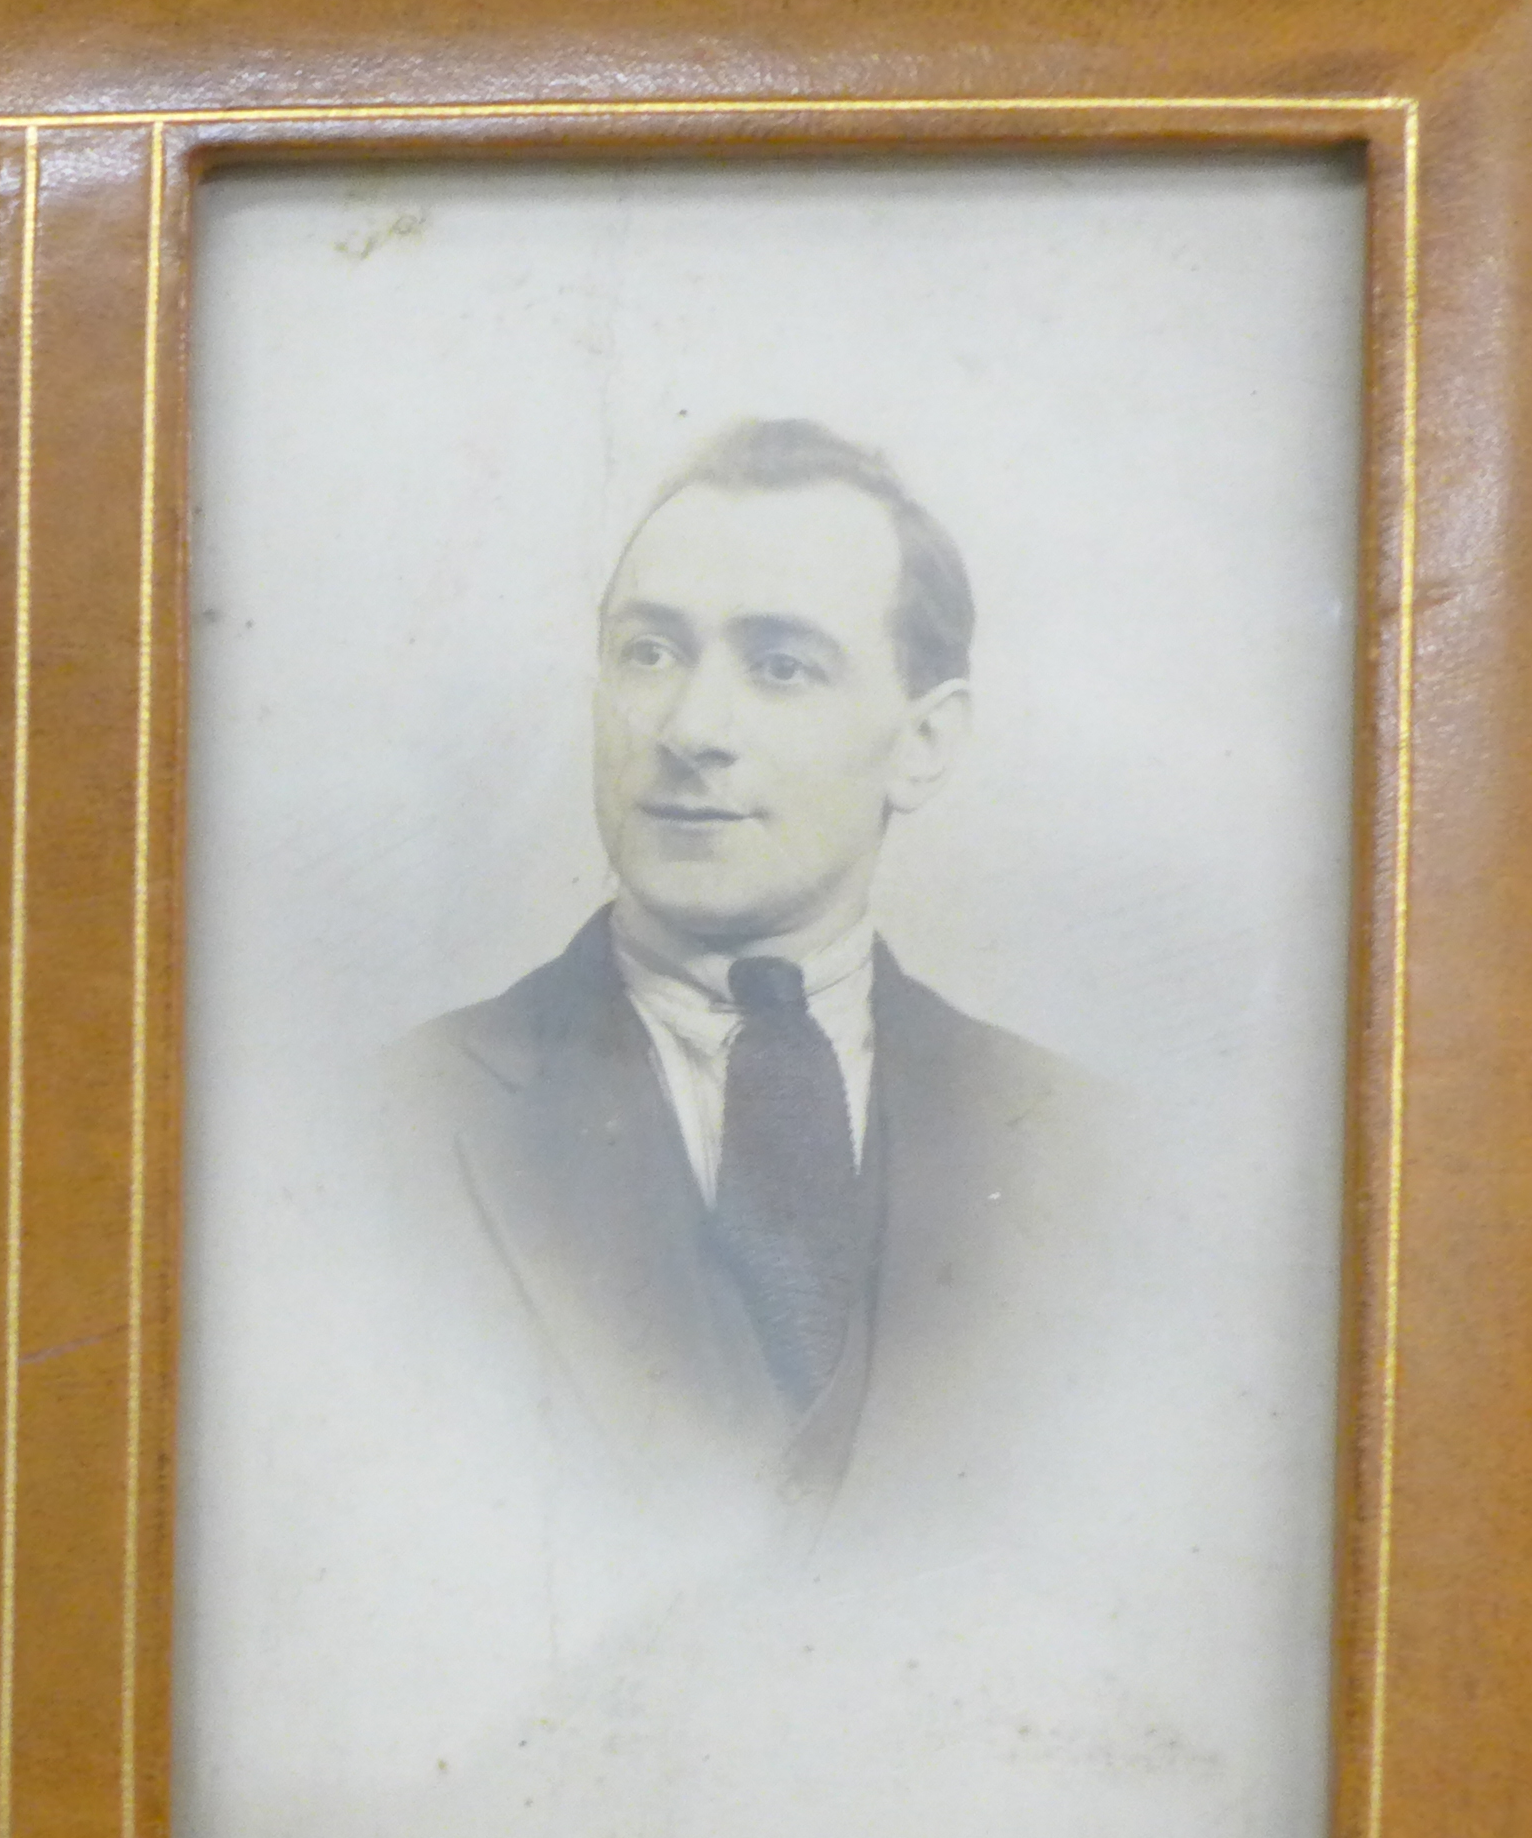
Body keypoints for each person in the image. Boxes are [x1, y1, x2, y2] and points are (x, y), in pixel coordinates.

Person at [391, 417, 1102, 1534]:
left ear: (925, 743)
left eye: (780, 666)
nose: (689, 727)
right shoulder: (383, 1127)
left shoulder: (1089, 1151)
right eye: (650, 654)